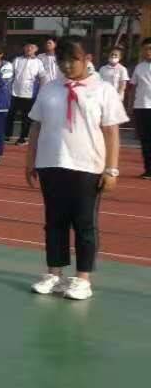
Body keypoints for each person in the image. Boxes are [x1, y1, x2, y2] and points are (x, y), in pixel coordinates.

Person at [25, 37, 125, 301]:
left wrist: (111, 169)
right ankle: (54, 274)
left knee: (84, 224)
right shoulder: (50, 88)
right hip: (51, 163)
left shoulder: (103, 90)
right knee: (54, 222)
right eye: (61, 61)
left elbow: (111, 131)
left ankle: (82, 279)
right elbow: (35, 126)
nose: (67, 66)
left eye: (73, 60)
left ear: (87, 58)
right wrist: (31, 160)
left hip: (87, 166)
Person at [8, 40, 45, 145]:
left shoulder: (38, 62)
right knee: (10, 115)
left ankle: (23, 138)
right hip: (14, 92)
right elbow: (11, 74)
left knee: (26, 118)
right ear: (24, 48)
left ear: (36, 49)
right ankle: (7, 135)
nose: (29, 49)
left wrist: (40, 92)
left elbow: (42, 77)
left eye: (32, 47)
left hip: (29, 94)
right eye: (27, 47)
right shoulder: (17, 60)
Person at [132, 38, 151, 180]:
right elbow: (133, 86)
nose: (147, 52)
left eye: (150, 48)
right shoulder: (139, 67)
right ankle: (148, 170)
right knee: (145, 140)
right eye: (145, 49)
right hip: (141, 107)